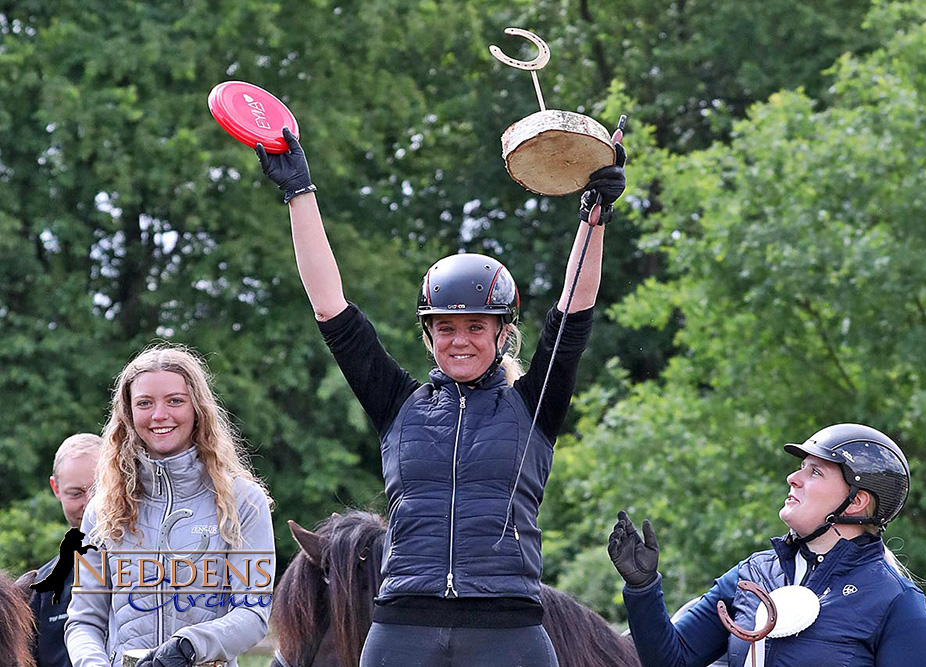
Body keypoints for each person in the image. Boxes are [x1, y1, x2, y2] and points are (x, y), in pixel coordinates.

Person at [256, 124, 626, 667]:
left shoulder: (533, 405)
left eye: (476, 326)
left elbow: (573, 313)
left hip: (510, 628)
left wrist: (594, 216)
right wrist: (298, 193)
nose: (460, 340)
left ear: (502, 333)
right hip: (403, 625)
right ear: (428, 336)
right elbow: (330, 306)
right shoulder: (397, 405)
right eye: (445, 328)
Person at [608, 423, 926, 666]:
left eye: (815, 473)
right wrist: (643, 588)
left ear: (856, 503)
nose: (792, 478)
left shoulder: (897, 603)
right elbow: (672, 662)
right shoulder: (751, 573)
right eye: (801, 468)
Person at [65, 344, 275, 667]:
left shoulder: (243, 502)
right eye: (145, 403)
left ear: (197, 409)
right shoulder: (102, 510)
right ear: (129, 413)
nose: (159, 415)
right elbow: (83, 622)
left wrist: (188, 646)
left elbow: (253, 613)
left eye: (175, 401)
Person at [29, 434, 100, 667]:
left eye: (99, 489)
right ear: (55, 489)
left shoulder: (149, 566)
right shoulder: (41, 589)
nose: (90, 504)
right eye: (76, 493)